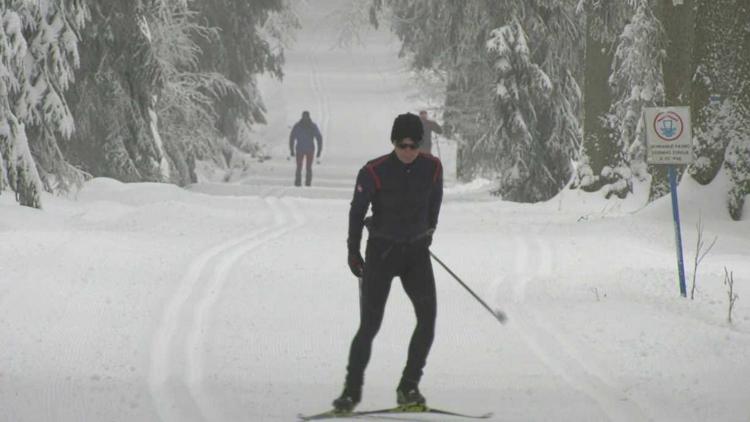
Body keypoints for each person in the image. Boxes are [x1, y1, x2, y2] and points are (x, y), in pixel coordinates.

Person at [333, 112, 444, 412]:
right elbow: (357, 213)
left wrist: (429, 231)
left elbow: (435, 202)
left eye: (413, 145)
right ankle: (350, 393)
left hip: (416, 254)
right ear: (393, 142)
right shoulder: (373, 171)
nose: (408, 151)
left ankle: (408, 386)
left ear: (420, 143)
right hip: (382, 253)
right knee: (370, 325)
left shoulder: (432, 167)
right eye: (402, 145)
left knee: (428, 319)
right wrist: (353, 252)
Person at [289, 111, 323, 186]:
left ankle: (305, 183)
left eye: (306, 117)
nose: (305, 118)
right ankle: (300, 183)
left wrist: (319, 151)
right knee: (300, 167)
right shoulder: (299, 126)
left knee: (306, 167)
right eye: (304, 116)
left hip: (307, 149)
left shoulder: (309, 126)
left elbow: (319, 138)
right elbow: (292, 138)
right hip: (302, 149)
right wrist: (291, 149)